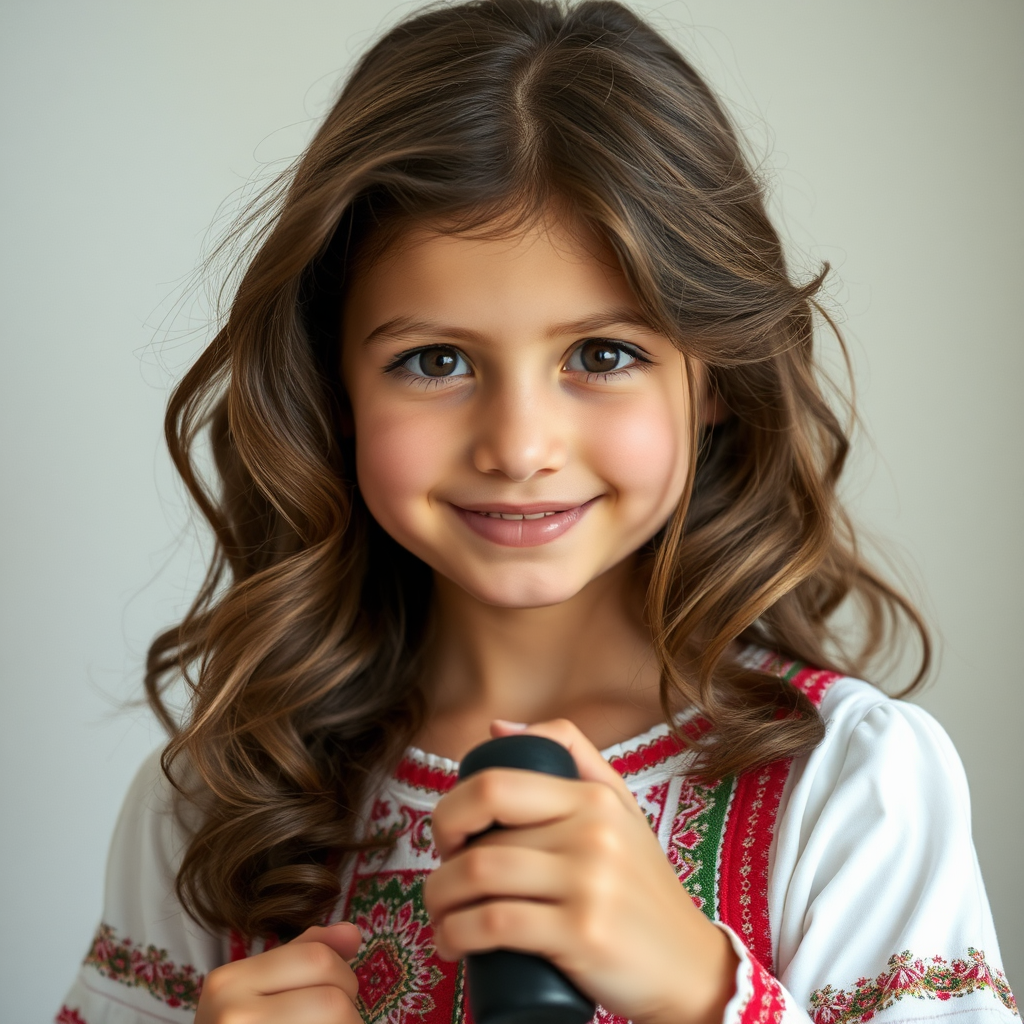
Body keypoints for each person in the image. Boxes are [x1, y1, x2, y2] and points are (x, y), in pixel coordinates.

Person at [57, 2, 1017, 1023]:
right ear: (331, 390)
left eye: (603, 356)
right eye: (435, 360)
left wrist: (703, 994)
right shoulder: (215, 801)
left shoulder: (852, 786)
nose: (517, 446)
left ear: (715, 381)